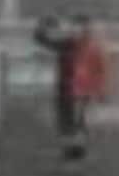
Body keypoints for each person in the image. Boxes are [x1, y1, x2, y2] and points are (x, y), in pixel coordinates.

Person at [33, 14, 107, 161]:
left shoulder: (91, 47)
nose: (75, 30)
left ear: (87, 29)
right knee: (67, 122)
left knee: (76, 123)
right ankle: (71, 153)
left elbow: (99, 71)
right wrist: (43, 27)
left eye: (79, 27)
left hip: (79, 91)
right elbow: (42, 40)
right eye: (74, 26)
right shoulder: (68, 44)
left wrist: (98, 91)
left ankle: (75, 153)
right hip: (66, 90)